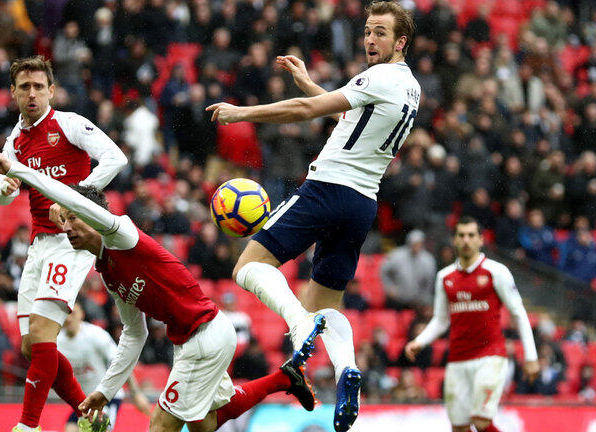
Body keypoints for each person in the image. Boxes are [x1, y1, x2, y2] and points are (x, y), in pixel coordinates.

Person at [0, 148, 325, 432]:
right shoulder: (108, 273)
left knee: (160, 426)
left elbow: (76, 200)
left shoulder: (121, 235)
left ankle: (285, 377)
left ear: (93, 217)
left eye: (73, 219)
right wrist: (105, 390)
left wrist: (17, 169)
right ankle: (284, 377)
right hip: (196, 338)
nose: (67, 229)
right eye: (65, 221)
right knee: (204, 424)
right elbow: (134, 334)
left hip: (204, 335)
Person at [205, 2, 420, 431]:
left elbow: (307, 112)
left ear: (401, 42)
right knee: (326, 303)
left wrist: (240, 113)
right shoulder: (410, 88)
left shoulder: (379, 77)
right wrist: (307, 80)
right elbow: (349, 113)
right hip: (362, 204)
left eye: (380, 33)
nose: (370, 40)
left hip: (327, 188)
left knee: (248, 267)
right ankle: (347, 370)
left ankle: (298, 325)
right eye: (367, 31)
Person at [0, 56, 127, 432]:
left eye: (38, 86)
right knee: (31, 346)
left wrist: (75, 200)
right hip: (38, 246)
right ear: (13, 93)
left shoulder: (68, 123)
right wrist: (6, 185)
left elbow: (116, 158)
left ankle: (28, 425)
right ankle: (91, 416)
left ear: (51, 90)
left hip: (71, 240)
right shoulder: (14, 140)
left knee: (44, 333)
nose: (32, 94)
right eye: (24, 87)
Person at [404, 217, 540, 432]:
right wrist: (419, 341)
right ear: (454, 240)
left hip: (490, 356)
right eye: (461, 235)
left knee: (481, 420)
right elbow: (441, 320)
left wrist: (531, 357)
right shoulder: (445, 277)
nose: (466, 240)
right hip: (458, 358)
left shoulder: (496, 272)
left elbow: (519, 313)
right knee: (459, 427)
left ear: (481, 240)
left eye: (471, 235)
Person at [57, 303, 151, 432]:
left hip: (106, 397)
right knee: (70, 429)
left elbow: (121, 362)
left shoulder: (95, 335)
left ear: (81, 314)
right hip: (84, 401)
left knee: (98, 429)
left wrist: (136, 394)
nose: (68, 318)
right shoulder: (57, 342)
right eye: (65, 314)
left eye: (72, 314)